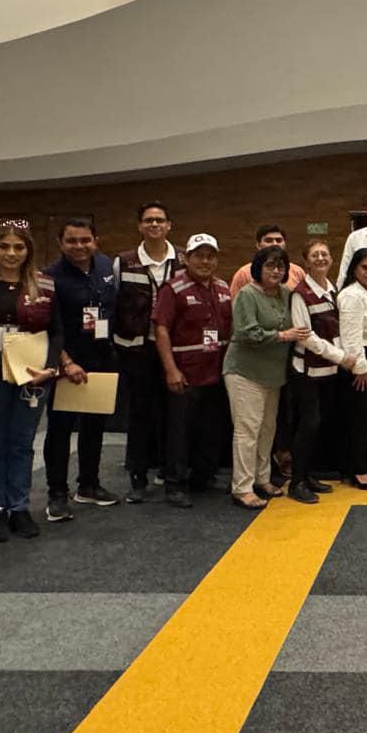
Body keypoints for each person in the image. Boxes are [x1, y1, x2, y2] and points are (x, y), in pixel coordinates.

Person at [0, 220, 63, 542]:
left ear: (28, 251)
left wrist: (50, 367)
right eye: (4, 246)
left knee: (21, 442)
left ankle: (19, 507)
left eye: (19, 247)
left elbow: (57, 331)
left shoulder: (44, 284)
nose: (11, 253)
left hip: (31, 375)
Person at [42, 217, 118, 523]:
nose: (79, 246)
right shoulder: (50, 276)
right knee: (60, 430)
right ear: (60, 243)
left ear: (95, 240)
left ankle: (88, 484)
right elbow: (47, 326)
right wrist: (65, 362)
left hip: (102, 357)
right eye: (71, 241)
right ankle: (57, 494)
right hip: (67, 363)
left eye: (85, 240)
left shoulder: (106, 266)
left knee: (94, 426)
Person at [152, 233, 233, 508]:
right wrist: (170, 370)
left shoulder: (223, 287)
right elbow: (161, 329)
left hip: (216, 371)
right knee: (180, 432)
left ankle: (203, 477)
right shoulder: (173, 288)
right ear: (187, 258)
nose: (205, 261)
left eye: (210, 256)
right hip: (186, 373)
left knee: (209, 429)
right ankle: (175, 484)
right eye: (199, 256)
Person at [114, 201, 185, 503]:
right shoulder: (124, 262)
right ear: (140, 226)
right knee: (139, 414)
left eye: (159, 220)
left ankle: (171, 477)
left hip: (174, 350)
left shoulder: (183, 259)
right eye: (148, 220)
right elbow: (115, 303)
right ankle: (138, 478)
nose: (154, 224)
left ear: (169, 225)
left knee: (174, 416)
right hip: (137, 350)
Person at [223, 245, 305, 509]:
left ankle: (262, 479)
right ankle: (242, 488)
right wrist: (282, 336)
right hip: (245, 372)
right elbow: (246, 333)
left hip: (273, 375)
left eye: (281, 266)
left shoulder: (286, 294)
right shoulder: (247, 295)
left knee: (267, 430)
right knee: (247, 430)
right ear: (258, 268)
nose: (276, 271)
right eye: (270, 265)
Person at [288, 239, 357, 504]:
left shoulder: (333, 289)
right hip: (307, 372)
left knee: (320, 426)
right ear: (306, 261)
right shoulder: (300, 293)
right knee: (309, 424)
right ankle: (296, 482)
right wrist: (341, 357)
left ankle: (308, 475)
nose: (320, 258)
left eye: (324, 254)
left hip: (329, 371)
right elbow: (306, 337)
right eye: (314, 255)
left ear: (331, 259)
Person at [337, 247, 367, 490]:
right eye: (365, 267)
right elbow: (351, 336)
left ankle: (359, 464)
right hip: (357, 362)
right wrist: (360, 368)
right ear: (354, 268)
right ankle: (357, 470)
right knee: (359, 417)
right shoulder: (351, 295)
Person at [229, 224, 305, 298]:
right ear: (258, 245)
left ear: (285, 244)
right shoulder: (244, 273)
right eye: (268, 240)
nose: (275, 244)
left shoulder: (297, 272)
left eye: (279, 240)